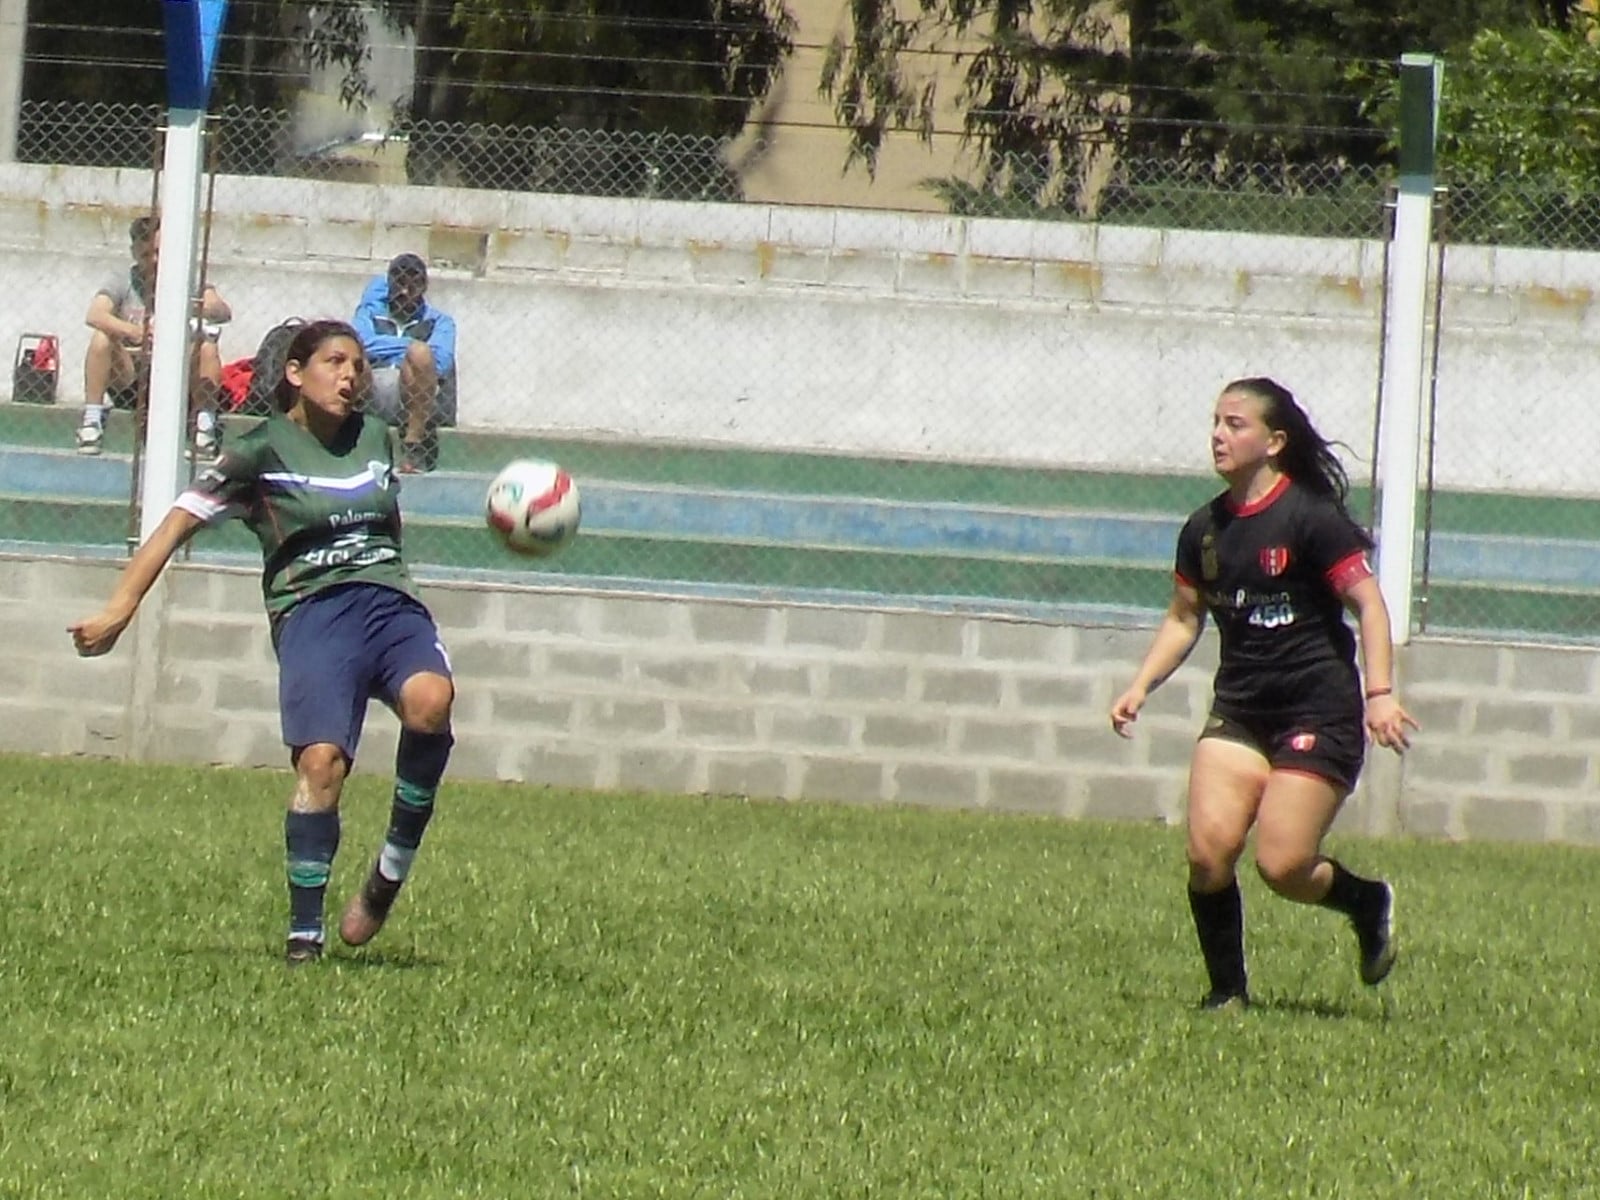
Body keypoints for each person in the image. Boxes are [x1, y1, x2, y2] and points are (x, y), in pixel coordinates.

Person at [68, 319, 456, 967]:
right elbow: (176, 523)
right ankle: (305, 937)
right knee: (321, 765)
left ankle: (390, 870)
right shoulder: (260, 451)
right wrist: (120, 607)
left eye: (358, 365)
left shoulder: (376, 437)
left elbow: (385, 526)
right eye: (335, 362)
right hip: (313, 611)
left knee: (432, 702)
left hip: (389, 601)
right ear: (295, 374)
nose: (350, 376)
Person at [1109, 376, 1419, 1011]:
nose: (1218, 436)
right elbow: (1184, 618)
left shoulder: (1309, 518)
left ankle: (1366, 902)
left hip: (1317, 711)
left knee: (1282, 865)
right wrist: (1140, 685)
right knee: (1207, 854)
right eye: (1215, 422)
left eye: (1235, 424)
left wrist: (1381, 693)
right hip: (1241, 711)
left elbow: (1368, 603)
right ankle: (1228, 994)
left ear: (1274, 442)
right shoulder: (1204, 530)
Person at [76, 214, 233, 460]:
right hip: (132, 375)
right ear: (134, 253)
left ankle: (204, 429)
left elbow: (222, 311)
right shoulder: (122, 280)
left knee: (207, 347)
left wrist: (196, 307)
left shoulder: (187, 279)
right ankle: (91, 422)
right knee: (101, 338)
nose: (154, 261)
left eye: (159, 253)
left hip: (176, 375)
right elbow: (95, 314)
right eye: (146, 255)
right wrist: (136, 332)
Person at [351, 252, 457, 474]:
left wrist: (406, 353)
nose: (405, 292)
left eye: (413, 285)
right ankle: (350, 442)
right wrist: (409, 346)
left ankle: (413, 446)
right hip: (372, 386)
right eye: (399, 283)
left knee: (420, 354)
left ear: (424, 287)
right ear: (388, 283)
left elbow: (441, 362)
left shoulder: (440, 321)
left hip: (414, 393)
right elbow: (362, 344)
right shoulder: (369, 313)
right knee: (353, 356)